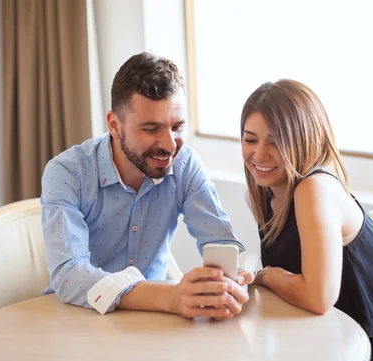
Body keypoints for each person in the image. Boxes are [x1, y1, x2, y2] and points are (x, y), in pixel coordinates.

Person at [241, 79, 373, 361]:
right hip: (329, 343)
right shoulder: (259, 195)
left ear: (302, 140)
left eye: (275, 142)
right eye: (250, 139)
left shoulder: (315, 189)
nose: (259, 154)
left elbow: (317, 296)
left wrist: (266, 275)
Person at [40, 52, 254, 318]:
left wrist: (233, 278)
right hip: (80, 318)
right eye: (151, 129)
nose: (169, 144)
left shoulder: (184, 164)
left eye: (177, 127)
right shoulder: (67, 172)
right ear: (115, 125)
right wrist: (169, 297)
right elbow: (69, 274)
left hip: (154, 324)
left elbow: (223, 245)